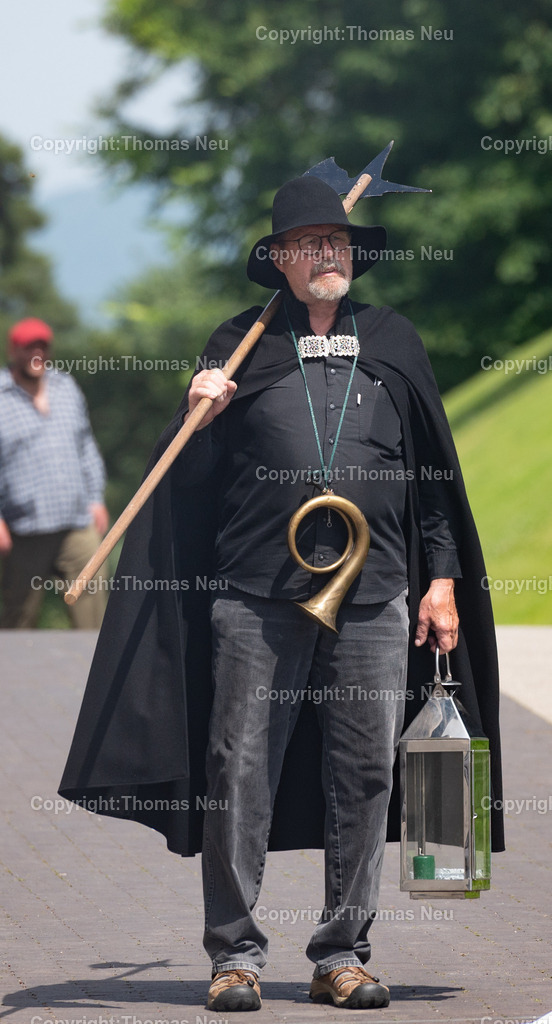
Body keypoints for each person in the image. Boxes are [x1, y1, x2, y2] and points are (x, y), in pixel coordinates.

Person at [59, 176, 503, 1013]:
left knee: (367, 772)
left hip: (376, 597)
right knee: (238, 770)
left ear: (350, 255)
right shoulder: (237, 346)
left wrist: (441, 580)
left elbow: (431, 480)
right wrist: (197, 413)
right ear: (283, 261)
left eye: (335, 241)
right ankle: (235, 957)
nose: (325, 253)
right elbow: (185, 487)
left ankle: (343, 953)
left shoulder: (395, 343)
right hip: (257, 597)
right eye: (308, 243)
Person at [0, 317, 109, 628]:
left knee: (95, 615)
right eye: (28, 347)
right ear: (13, 350)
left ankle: (94, 675)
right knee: (18, 620)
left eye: (42, 347)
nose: (37, 354)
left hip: (76, 522)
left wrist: (96, 498)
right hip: (24, 527)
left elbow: (85, 445)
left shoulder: (65, 386)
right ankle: (15, 676)